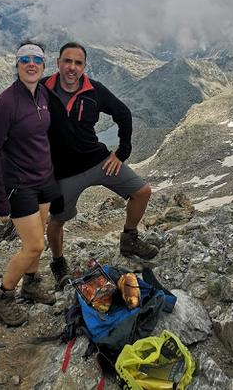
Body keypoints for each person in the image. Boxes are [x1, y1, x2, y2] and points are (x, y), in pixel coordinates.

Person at [42, 42, 158, 289]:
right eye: (67, 61)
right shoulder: (42, 89)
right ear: (58, 63)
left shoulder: (94, 90)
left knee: (142, 192)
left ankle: (129, 238)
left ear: (84, 66)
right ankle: (57, 261)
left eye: (78, 63)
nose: (72, 67)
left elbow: (123, 114)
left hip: (99, 161)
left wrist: (122, 152)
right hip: (64, 172)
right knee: (57, 220)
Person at [0, 42, 60, 326]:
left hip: (43, 179)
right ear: (16, 65)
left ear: (43, 65)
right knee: (33, 246)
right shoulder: (6, 103)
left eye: (37, 59)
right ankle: (3, 297)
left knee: (39, 234)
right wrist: (0, 200)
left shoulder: (42, 93)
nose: (31, 64)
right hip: (19, 185)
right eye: (25, 59)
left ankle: (31, 283)